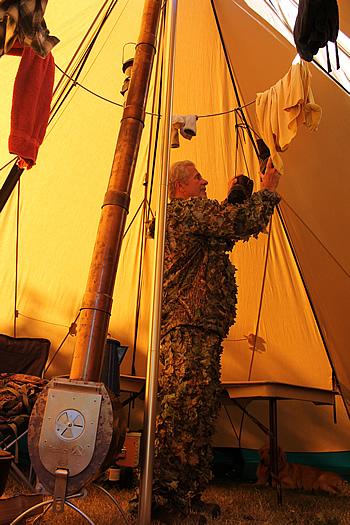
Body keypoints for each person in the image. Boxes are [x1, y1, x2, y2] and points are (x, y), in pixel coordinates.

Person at [148, 157, 281, 524]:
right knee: (179, 417)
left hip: (201, 329)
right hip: (187, 328)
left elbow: (221, 227)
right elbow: (237, 224)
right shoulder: (183, 212)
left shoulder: (194, 218)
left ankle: (186, 496)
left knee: (198, 416)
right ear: (179, 187)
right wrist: (267, 191)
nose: (204, 182)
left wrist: (234, 200)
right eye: (197, 178)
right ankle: (161, 502)